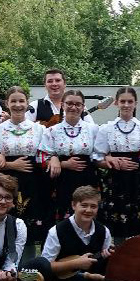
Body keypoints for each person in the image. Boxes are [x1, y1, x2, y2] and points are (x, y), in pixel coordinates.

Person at [0, 86, 48, 247]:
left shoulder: (39, 129)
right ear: (7, 104)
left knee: (29, 227)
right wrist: (8, 163)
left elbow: (46, 156)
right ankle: (1, 258)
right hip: (5, 183)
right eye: (13, 101)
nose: (18, 105)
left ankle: (27, 261)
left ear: (27, 103)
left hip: (32, 182)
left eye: (21, 101)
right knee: (4, 225)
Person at [41, 186, 112, 281]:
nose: (89, 210)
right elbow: (45, 266)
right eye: (84, 205)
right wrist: (76, 263)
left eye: (93, 206)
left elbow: (105, 258)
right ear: (74, 205)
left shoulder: (103, 231)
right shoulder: (57, 231)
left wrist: (107, 256)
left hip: (94, 274)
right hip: (65, 278)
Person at [93, 87, 140, 243]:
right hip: (116, 179)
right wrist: (111, 161)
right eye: (123, 101)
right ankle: (118, 250)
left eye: (130, 101)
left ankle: (139, 251)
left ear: (136, 103)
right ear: (116, 103)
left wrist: (139, 162)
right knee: (116, 219)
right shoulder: (107, 129)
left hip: (139, 179)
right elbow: (97, 156)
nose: (126, 105)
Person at [41, 89, 100, 222]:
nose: (73, 107)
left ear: (83, 107)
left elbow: (100, 154)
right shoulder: (52, 131)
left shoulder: (93, 129)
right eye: (69, 103)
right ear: (63, 105)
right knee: (63, 216)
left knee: (86, 213)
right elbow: (41, 157)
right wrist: (61, 163)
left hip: (87, 178)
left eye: (78, 104)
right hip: (62, 181)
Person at [27, 69, 96, 126]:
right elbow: (25, 128)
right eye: (50, 81)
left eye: (58, 80)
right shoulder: (34, 106)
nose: (54, 84)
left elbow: (91, 128)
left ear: (64, 84)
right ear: (45, 85)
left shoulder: (78, 105)